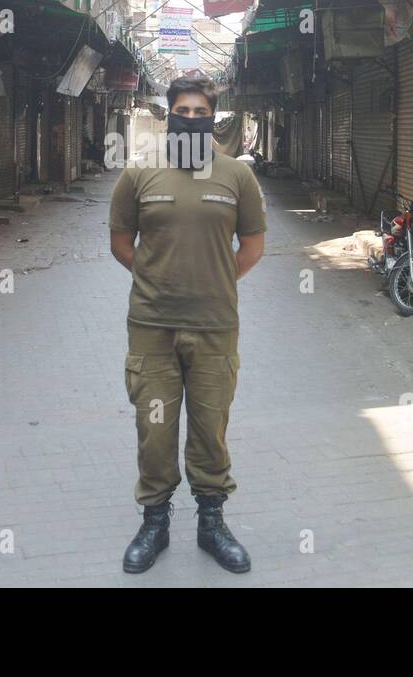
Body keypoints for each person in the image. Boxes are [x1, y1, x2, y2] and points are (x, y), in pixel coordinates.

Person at [108, 75, 267, 574]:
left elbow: (253, 247)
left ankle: (211, 522)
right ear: (169, 114)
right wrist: (159, 279)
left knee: (210, 428)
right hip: (152, 327)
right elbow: (120, 241)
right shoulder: (139, 174)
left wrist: (214, 281)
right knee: (154, 429)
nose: (193, 118)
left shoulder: (237, 177)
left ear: (213, 117)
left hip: (215, 327)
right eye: (184, 110)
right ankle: (154, 520)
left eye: (202, 112)